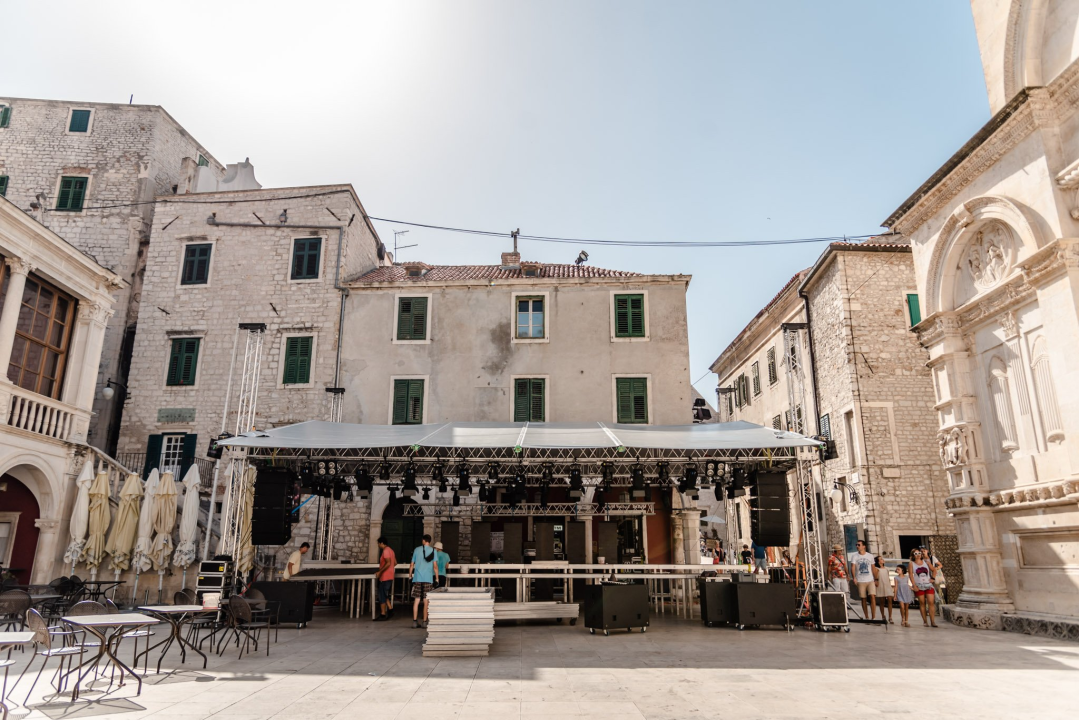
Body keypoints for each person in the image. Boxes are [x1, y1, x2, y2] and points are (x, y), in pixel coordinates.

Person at [409, 534, 439, 628]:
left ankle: (414, 622)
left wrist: (410, 576)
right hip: (428, 578)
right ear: (429, 541)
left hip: (417, 578)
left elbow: (411, 565)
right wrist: (437, 578)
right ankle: (424, 622)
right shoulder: (433, 551)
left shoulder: (416, 550)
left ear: (423, 540)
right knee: (426, 600)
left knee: (416, 600)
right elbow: (435, 566)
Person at [849, 540, 877, 620]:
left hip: (870, 579)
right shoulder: (855, 556)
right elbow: (853, 567)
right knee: (863, 598)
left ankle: (873, 616)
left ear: (864, 546)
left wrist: (876, 578)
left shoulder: (870, 556)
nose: (857, 546)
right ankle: (867, 616)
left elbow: (873, 567)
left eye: (859, 545)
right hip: (860, 579)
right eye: (856, 545)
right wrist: (854, 577)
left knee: (872, 596)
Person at [910, 549, 938, 627]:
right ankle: (925, 621)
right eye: (916, 553)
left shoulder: (927, 563)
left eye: (919, 553)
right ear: (913, 555)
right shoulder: (911, 564)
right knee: (922, 603)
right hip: (919, 585)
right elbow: (911, 575)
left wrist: (933, 578)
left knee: (931, 602)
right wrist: (914, 585)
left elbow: (934, 570)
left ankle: (933, 621)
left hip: (928, 585)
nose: (918, 554)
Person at [373, 537, 396, 621]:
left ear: (382, 543)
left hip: (385, 576)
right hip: (390, 575)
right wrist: (390, 570)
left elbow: (388, 563)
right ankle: (390, 610)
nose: (378, 545)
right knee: (383, 593)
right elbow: (395, 563)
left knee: (382, 594)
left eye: (379, 543)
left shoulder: (385, 551)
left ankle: (383, 614)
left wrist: (380, 572)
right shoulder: (391, 550)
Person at [893, 563, 914, 627]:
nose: (897, 570)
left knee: (906, 607)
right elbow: (896, 586)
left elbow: (907, 584)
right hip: (900, 592)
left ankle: (906, 621)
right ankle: (903, 619)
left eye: (898, 569)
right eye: (897, 569)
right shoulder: (896, 578)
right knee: (902, 606)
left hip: (906, 592)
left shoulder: (906, 577)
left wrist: (911, 587)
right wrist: (895, 595)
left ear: (902, 570)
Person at [874, 556, 893, 624]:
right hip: (881, 585)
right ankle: (883, 615)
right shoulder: (876, 569)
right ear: (878, 561)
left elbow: (888, 577)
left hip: (887, 585)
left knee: (890, 600)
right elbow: (876, 577)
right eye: (881, 559)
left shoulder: (887, 569)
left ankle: (890, 616)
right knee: (882, 601)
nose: (883, 560)